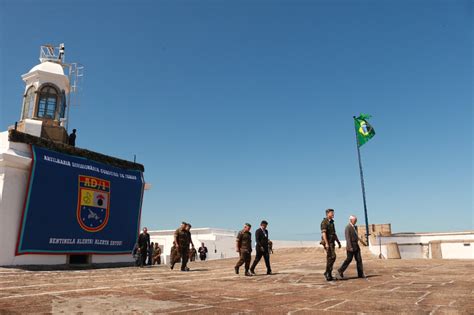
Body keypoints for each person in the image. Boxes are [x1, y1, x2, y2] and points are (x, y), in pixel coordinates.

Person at [321, 209, 341, 281]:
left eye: (333, 213)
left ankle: (328, 273)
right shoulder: (324, 222)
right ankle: (327, 273)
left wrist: (338, 242)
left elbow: (334, 233)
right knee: (332, 257)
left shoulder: (332, 222)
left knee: (331, 258)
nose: (333, 214)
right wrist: (326, 243)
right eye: (332, 213)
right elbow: (323, 234)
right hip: (328, 242)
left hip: (332, 243)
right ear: (327, 214)